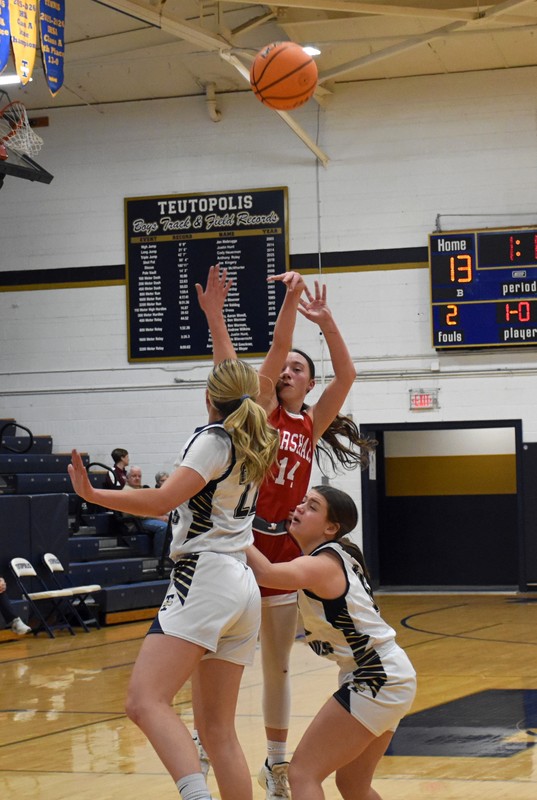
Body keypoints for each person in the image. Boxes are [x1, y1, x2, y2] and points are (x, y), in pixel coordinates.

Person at [197, 265, 373, 798]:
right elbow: (276, 345)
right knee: (213, 653)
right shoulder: (264, 410)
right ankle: (204, 751)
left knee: (276, 663)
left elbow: (347, 377)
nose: (290, 371)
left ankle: (275, 765)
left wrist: (328, 321)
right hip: (235, 536)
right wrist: (293, 301)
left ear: (310, 383)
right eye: (287, 368)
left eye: (300, 368)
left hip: (279, 546)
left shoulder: (310, 423)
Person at [68, 358, 280, 800]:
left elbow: (163, 500)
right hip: (241, 583)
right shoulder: (252, 441)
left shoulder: (214, 439)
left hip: (205, 577)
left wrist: (92, 494)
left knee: (144, 701)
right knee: (218, 732)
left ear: (208, 398)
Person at [247, 485, 417, 800]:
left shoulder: (321, 565)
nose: (299, 508)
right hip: (387, 675)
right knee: (353, 786)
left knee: (302, 773)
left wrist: (233, 527)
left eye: (311, 506)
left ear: (331, 528)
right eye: (302, 502)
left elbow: (265, 572)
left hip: (375, 677)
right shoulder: (334, 556)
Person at [121, 466, 170, 556]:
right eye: (134, 476)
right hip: (135, 522)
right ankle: (160, 557)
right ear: (127, 478)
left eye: (139, 476)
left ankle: (169, 554)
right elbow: (138, 513)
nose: (137, 478)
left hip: (146, 519)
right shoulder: (127, 492)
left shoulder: (140, 489)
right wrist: (158, 517)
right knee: (163, 527)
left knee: (171, 522)